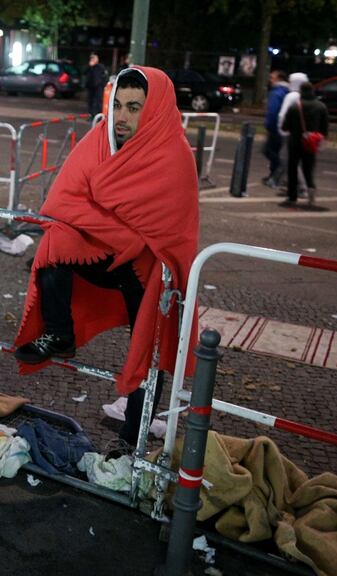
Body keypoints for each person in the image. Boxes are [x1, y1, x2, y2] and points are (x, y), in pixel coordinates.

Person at [13, 68, 199, 446]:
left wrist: (130, 240)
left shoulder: (175, 155)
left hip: (147, 268)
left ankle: (132, 435)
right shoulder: (100, 138)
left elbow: (171, 235)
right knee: (55, 240)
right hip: (105, 253)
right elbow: (59, 201)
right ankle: (59, 333)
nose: (122, 117)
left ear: (155, 110)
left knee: (150, 340)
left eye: (133, 107)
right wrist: (123, 234)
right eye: (117, 106)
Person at [280, 82, 328, 205]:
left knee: (293, 169)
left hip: (295, 141)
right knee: (308, 168)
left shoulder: (295, 106)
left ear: (301, 92)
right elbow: (324, 128)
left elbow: (285, 126)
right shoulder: (321, 107)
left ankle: (292, 196)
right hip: (311, 142)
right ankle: (311, 190)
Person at [277, 71, 309, 195]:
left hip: (290, 133)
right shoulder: (304, 96)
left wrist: (281, 130)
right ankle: (292, 183)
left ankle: (301, 187)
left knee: (288, 159)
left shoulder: (291, 96)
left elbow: (282, 115)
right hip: (301, 133)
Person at [262, 70, 289, 188]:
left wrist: (268, 124)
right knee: (274, 151)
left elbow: (273, 111)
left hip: (275, 127)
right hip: (283, 127)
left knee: (269, 151)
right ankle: (274, 174)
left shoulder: (276, 93)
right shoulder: (286, 91)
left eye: (272, 78)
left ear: (278, 79)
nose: (270, 80)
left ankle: (277, 173)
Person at [84, 53, 108, 119]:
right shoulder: (89, 67)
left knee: (98, 102)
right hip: (91, 87)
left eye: (93, 58)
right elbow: (85, 72)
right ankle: (91, 115)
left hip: (99, 87)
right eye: (91, 59)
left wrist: (103, 85)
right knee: (90, 102)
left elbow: (105, 77)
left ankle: (99, 116)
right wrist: (89, 66)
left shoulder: (100, 66)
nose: (92, 60)